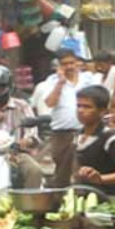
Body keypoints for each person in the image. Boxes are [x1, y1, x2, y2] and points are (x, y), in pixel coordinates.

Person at [37, 42, 93, 188]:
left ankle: (82, 202)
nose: (69, 66)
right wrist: (60, 83)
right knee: (62, 174)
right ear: (58, 66)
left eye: (71, 63)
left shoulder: (88, 79)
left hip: (85, 132)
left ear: (77, 63)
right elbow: (50, 103)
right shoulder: (52, 82)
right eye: (64, 64)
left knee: (83, 172)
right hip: (62, 134)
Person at [75, 84, 115, 195]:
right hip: (82, 197)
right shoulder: (78, 135)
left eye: (87, 107)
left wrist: (100, 178)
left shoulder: (110, 139)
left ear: (102, 111)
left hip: (106, 199)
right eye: (78, 106)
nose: (80, 110)